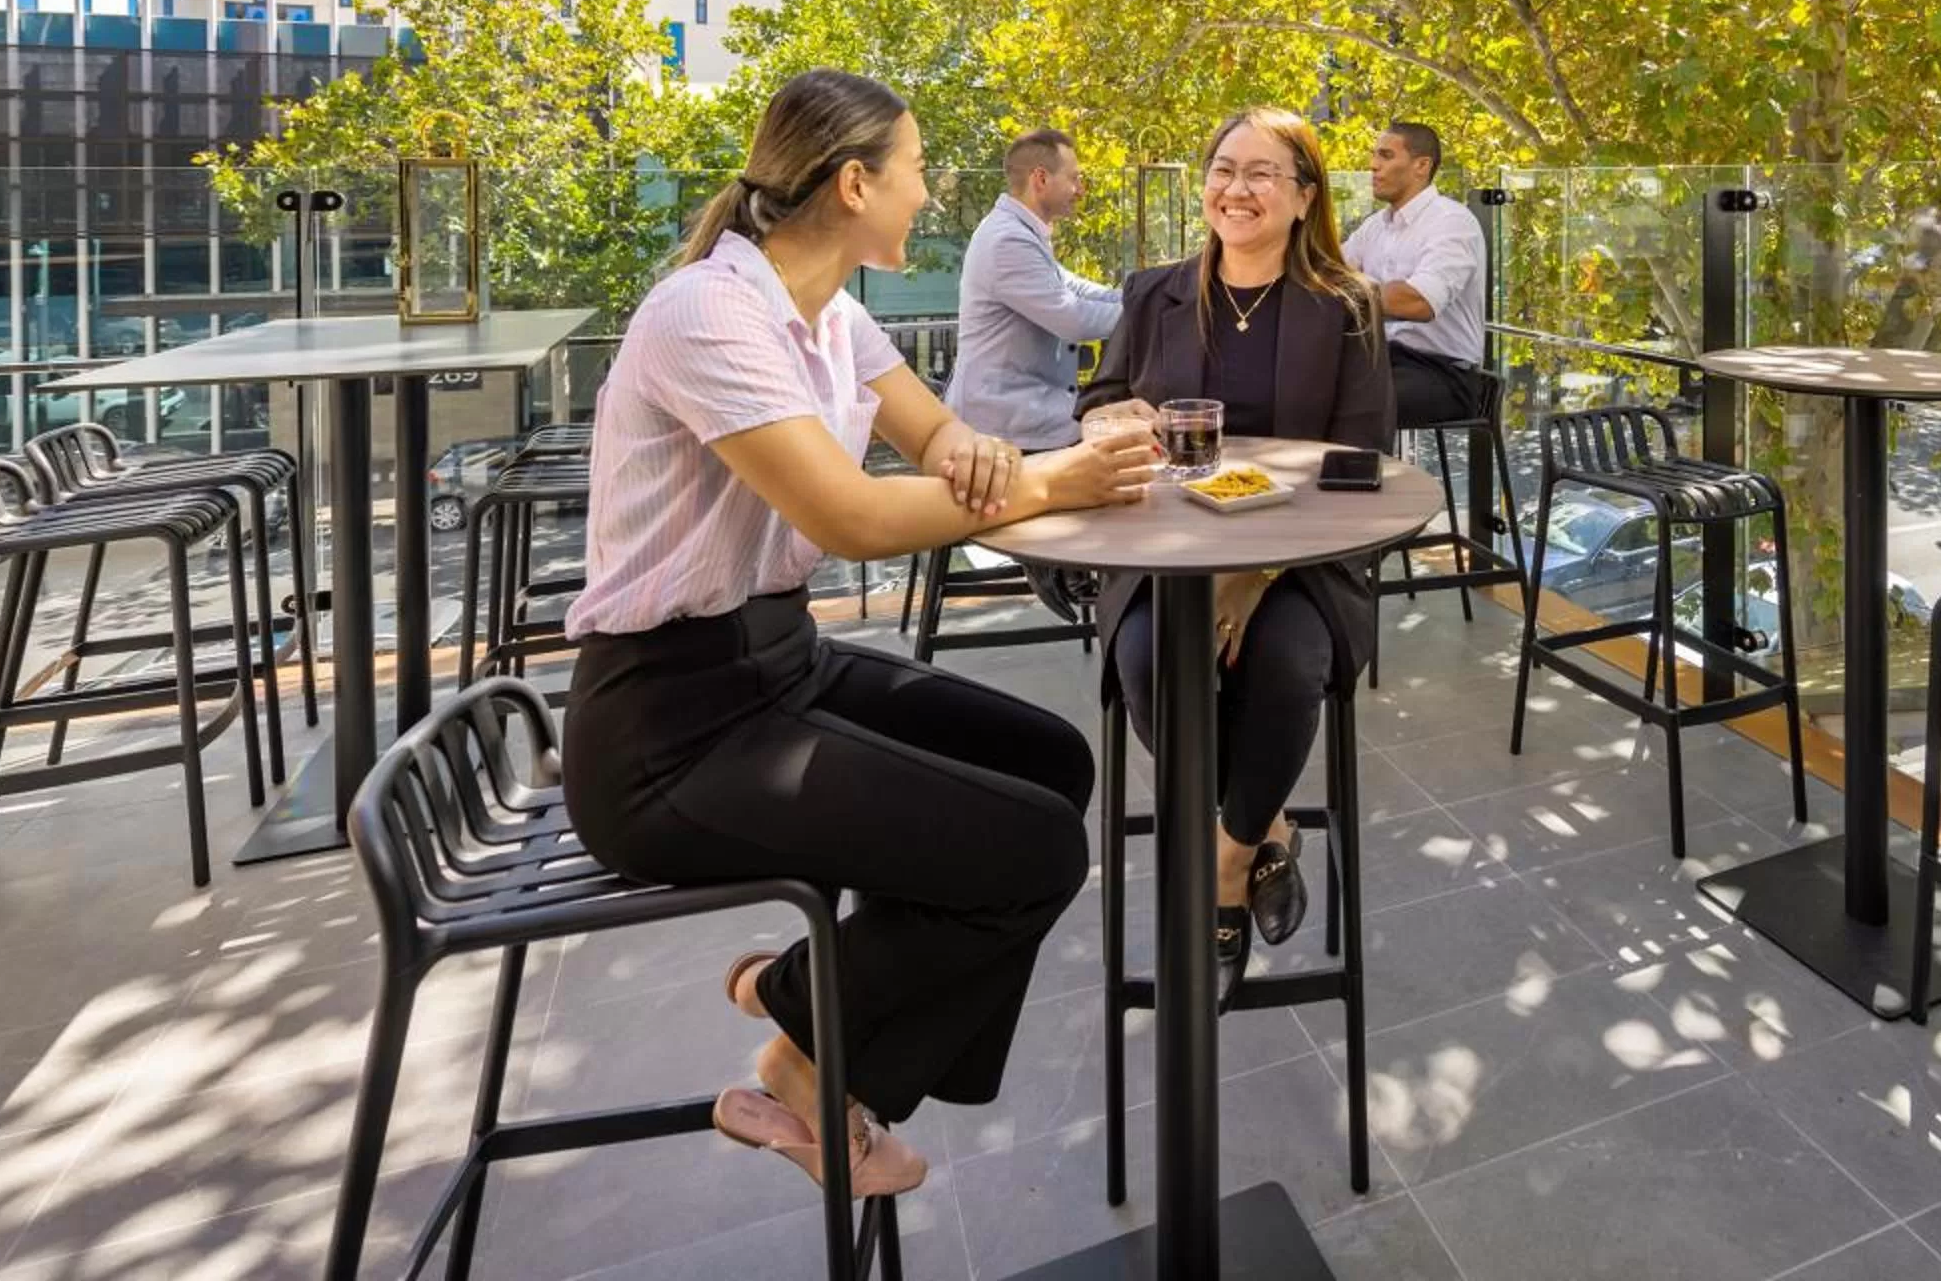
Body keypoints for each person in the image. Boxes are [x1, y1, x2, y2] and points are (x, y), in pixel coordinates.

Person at [561, 69, 1160, 1199]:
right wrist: (1052, 479)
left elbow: (939, 435)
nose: (929, 192)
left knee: (1054, 761)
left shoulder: (833, 316)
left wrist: (1002, 458)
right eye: (918, 167)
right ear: (853, 181)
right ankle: (805, 1052)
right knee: (1032, 850)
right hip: (666, 731)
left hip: (778, 667)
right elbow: (847, 513)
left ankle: (809, 1002)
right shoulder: (708, 313)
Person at [1076, 107, 1392, 978]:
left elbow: (1362, 463)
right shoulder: (1154, 292)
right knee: (1149, 664)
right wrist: (1111, 413)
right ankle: (1268, 828)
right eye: (1223, 168)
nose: (1236, 189)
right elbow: (1095, 399)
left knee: (1286, 663)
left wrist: (1253, 575)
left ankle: (1222, 861)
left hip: (1305, 557)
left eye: (1262, 173)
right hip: (1164, 553)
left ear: (1303, 198)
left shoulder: (1347, 306)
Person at [945, 129, 1124, 450]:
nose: (1080, 190)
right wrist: (1150, 313)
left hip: (1023, 417)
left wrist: (1140, 296)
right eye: (1074, 178)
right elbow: (1074, 318)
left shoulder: (1020, 233)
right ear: (1040, 179)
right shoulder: (1007, 241)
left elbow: (1076, 288)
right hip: (1002, 429)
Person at [1344, 121, 1492, 428]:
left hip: (1445, 374)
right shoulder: (1376, 225)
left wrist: (1343, 289)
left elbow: (1417, 302)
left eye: (1385, 156)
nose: (1373, 165)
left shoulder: (1452, 222)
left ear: (1421, 166)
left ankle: (1368, 477)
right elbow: (1328, 270)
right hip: (1385, 359)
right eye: (1374, 155)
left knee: (1352, 403)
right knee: (1299, 384)